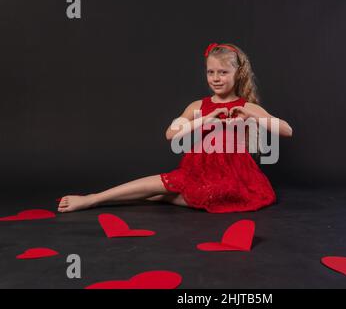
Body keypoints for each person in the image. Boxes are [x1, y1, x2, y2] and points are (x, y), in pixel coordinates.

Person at [57, 43, 293, 213]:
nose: (216, 78)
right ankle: (93, 199)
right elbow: (171, 134)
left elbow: (287, 130)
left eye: (223, 72)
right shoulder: (198, 105)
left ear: (237, 73)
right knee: (162, 182)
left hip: (234, 173)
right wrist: (206, 119)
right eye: (211, 72)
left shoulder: (246, 105)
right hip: (198, 168)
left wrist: (252, 113)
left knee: (219, 195)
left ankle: (163, 197)